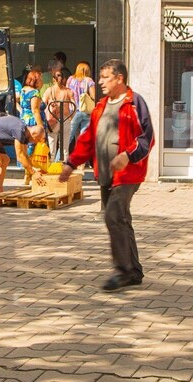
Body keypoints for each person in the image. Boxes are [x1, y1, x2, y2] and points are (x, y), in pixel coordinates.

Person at [61, 60, 155, 292]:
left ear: (119, 79)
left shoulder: (134, 103)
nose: (100, 81)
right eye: (100, 77)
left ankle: (122, 271)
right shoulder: (101, 106)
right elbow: (88, 139)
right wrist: (71, 163)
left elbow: (147, 137)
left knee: (113, 216)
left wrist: (129, 155)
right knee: (121, 219)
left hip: (127, 173)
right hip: (105, 174)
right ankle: (133, 271)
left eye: (105, 77)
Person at [0, 114, 45, 197]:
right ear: (33, 134)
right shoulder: (19, 130)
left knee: (5, 160)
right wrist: (33, 173)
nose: (36, 142)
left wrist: (34, 169)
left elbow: (25, 155)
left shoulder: (26, 135)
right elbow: (20, 156)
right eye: (37, 139)